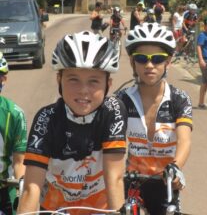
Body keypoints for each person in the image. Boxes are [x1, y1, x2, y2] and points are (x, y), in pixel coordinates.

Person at [17, 31, 127, 214]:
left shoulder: (113, 110)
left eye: (94, 81)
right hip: (55, 208)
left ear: (109, 84)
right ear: (59, 80)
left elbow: (114, 177)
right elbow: (32, 188)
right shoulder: (46, 118)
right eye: (73, 79)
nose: (83, 90)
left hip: (100, 208)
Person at [116, 23, 192, 215]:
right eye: (142, 59)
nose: (149, 65)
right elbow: (109, 141)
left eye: (157, 59)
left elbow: (184, 140)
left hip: (165, 180)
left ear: (168, 61)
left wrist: (176, 167)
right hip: (131, 180)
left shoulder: (179, 99)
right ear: (133, 62)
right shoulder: (121, 99)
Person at [0, 53, 27, 215]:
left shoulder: (14, 114)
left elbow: (19, 162)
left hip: (4, 190)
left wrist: (22, 189)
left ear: (3, 80)